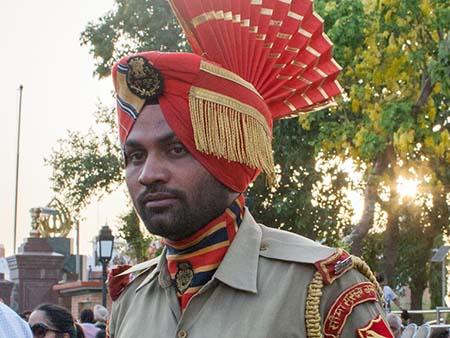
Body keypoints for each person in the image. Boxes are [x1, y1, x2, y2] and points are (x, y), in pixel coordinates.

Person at [106, 0, 393, 337]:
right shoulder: (130, 298)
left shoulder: (320, 288)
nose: (148, 173)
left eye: (176, 149)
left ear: (231, 156)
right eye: (136, 156)